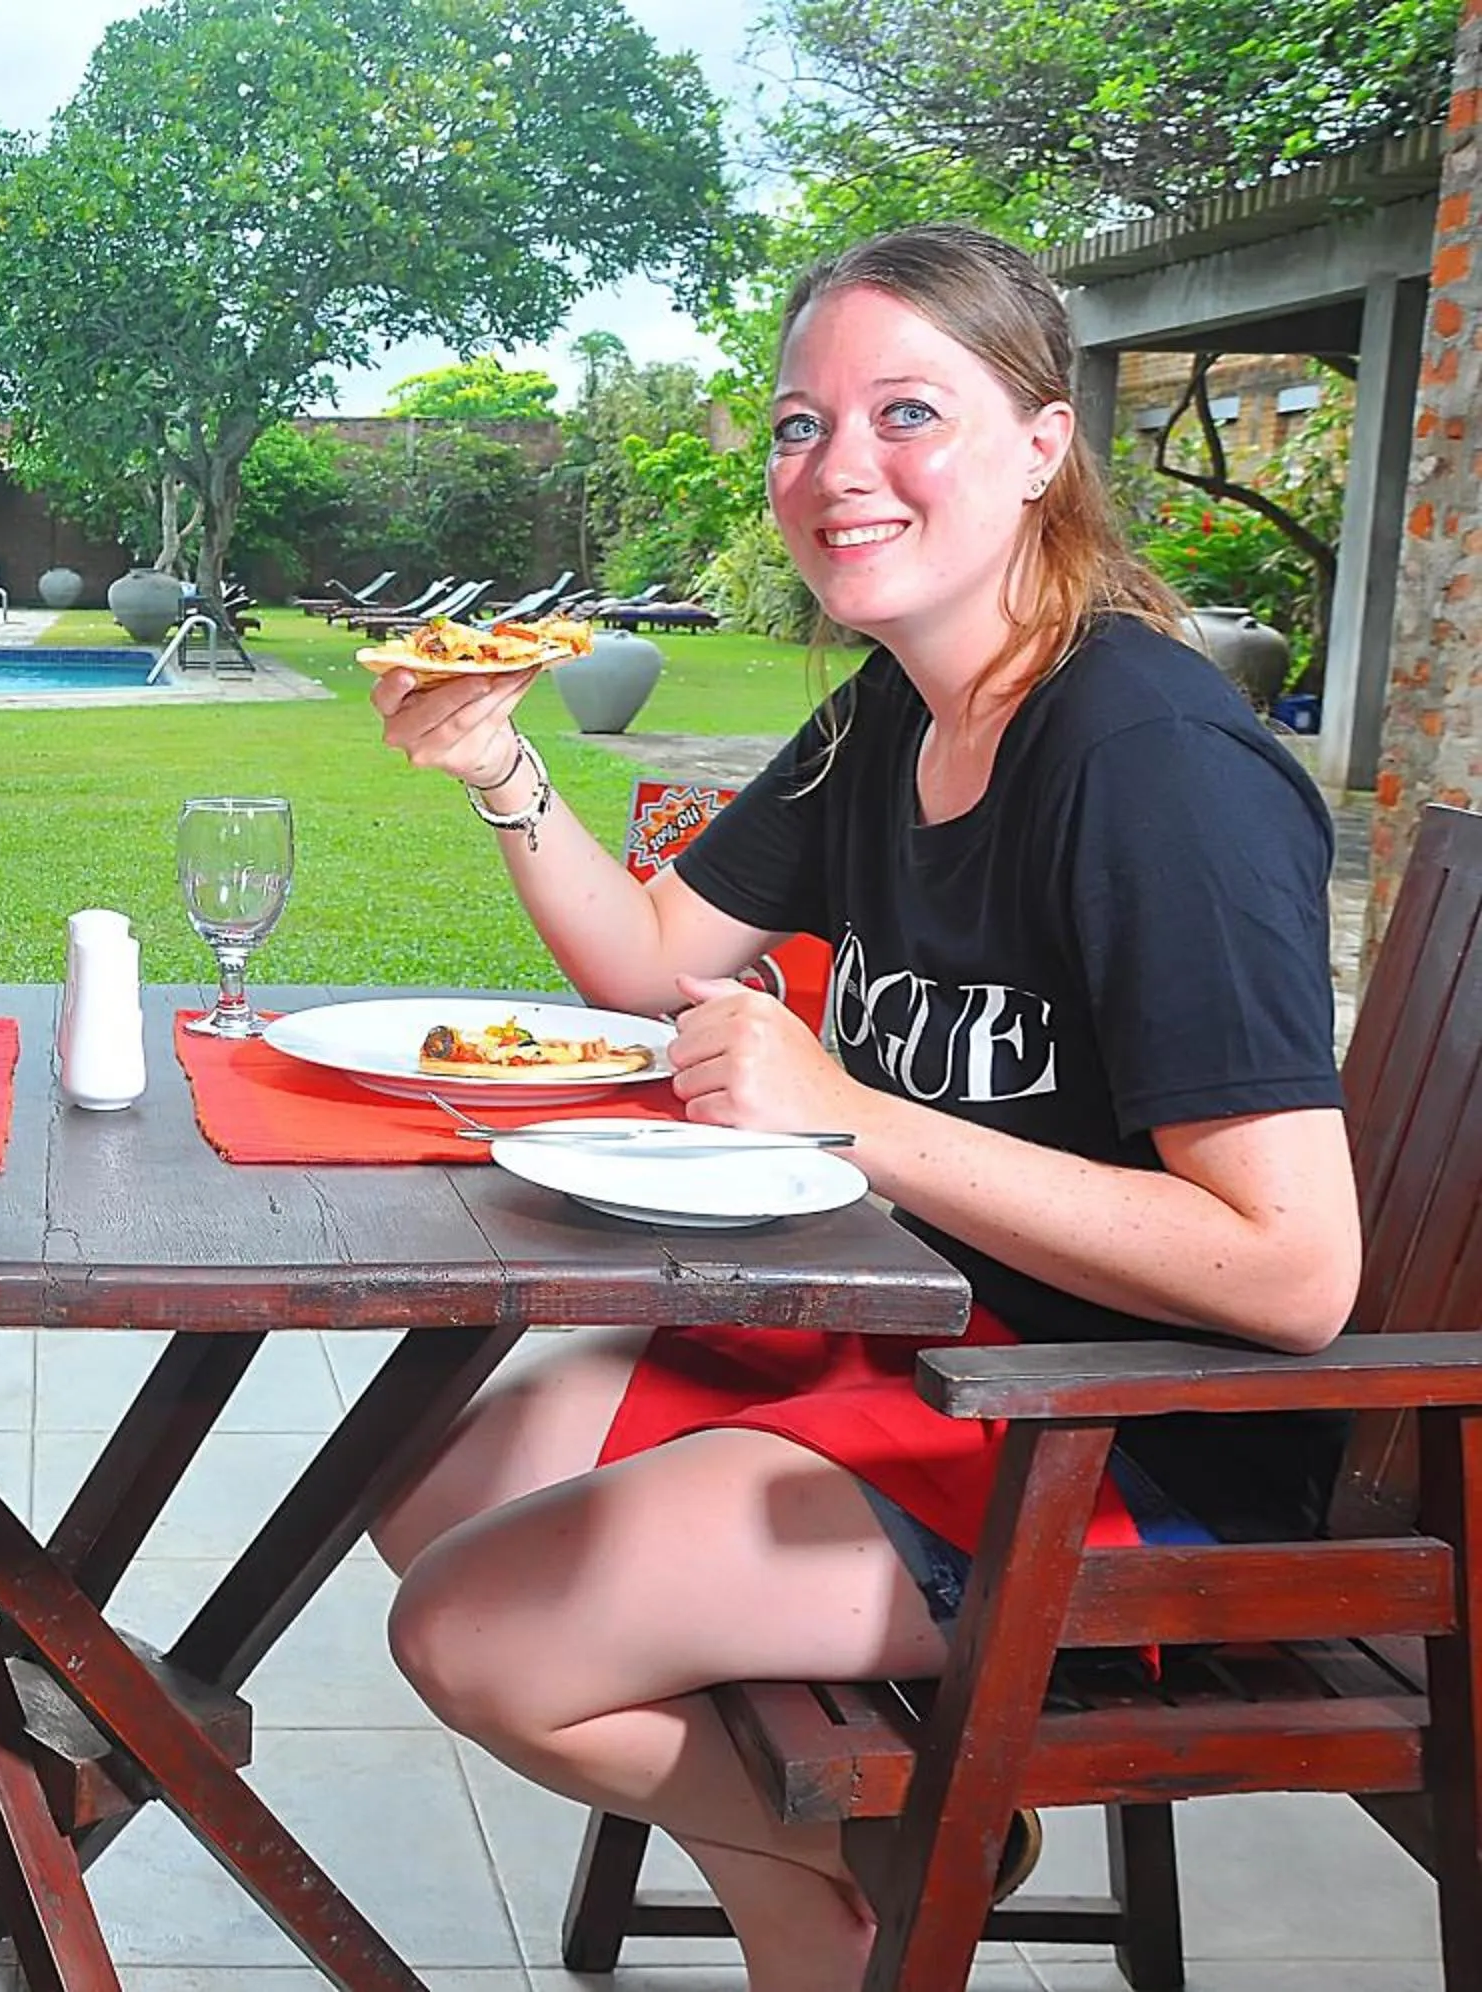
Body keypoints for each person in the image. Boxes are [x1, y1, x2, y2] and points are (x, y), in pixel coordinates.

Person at [363, 222, 1360, 1991]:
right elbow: (657, 960)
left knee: (478, 1631)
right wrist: (502, 769)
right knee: (415, 1485)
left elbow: (1293, 1274)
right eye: (799, 426)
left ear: (1046, 447)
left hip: (1109, 1438)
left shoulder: (1151, 768)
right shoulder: (884, 719)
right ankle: (853, 1886)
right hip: (914, 1345)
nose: (838, 470)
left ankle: (863, 1887)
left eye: (909, 412)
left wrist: (851, 1120)